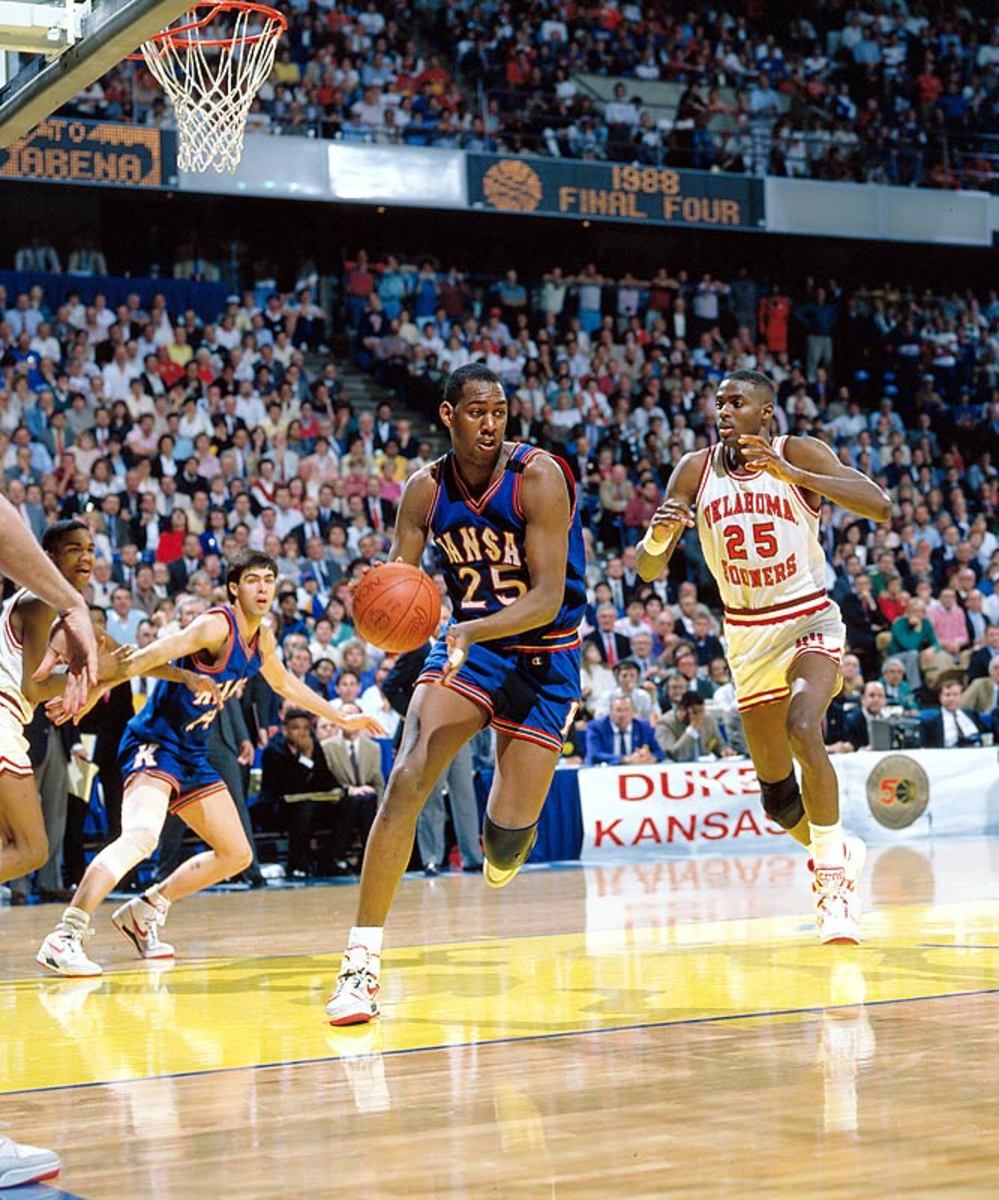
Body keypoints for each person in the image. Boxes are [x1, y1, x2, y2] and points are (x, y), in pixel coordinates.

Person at [326, 362, 585, 1025]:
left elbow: (546, 598)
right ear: (448, 415)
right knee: (407, 776)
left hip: (545, 659)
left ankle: (504, 837)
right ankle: (359, 964)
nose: (490, 424)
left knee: (504, 845)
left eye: (499, 411)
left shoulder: (538, 476)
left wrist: (467, 627)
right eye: (476, 412)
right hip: (471, 653)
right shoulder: (424, 490)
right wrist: (380, 598)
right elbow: (402, 578)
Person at [37, 549, 384, 976]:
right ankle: (66, 935)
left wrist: (342, 717)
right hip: (155, 741)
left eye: (269, 580)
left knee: (236, 853)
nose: (263, 588)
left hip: (191, 752)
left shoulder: (262, 638)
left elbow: (285, 684)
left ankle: (145, 911)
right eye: (253, 580)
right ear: (234, 588)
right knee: (142, 836)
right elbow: (147, 655)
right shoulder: (215, 625)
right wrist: (95, 689)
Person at [637, 370, 892, 944]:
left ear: (766, 412)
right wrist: (659, 537)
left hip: (807, 616)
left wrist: (794, 475)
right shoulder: (694, 469)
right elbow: (648, 569)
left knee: (803, 726)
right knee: (778, 800)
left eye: (737, 402)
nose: (724, 411)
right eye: (719, 402)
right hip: (747, 634)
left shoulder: (799, 452)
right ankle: (838, 846)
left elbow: (881, 506)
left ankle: (833, 888)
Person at [0, 500, 100, 1191]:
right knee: (31, 847)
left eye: (91, 551)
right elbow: (42, 683)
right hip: (2, 717)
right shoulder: (40, 602)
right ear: (45, 556)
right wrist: (100, 674)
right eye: (73, 551)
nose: (85, 559)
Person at [655, 689, 734, 761]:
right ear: (682, 709)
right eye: (695, 712)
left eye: (702, 711)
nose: (700, 716)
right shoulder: (665, 724)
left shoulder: (707, 718)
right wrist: (692, 729)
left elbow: (718, 745)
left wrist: (724, 751)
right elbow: (673, 755)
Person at [584, 694, 659, 766]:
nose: (623, 714)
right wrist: (625, 759)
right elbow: (594, 755)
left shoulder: (644, 726)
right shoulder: (596, 727)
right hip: (604, 771)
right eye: (618, 710)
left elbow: (659, 753)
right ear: (610, 712)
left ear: (633, 712)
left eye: (627, 710)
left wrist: (650, 758)